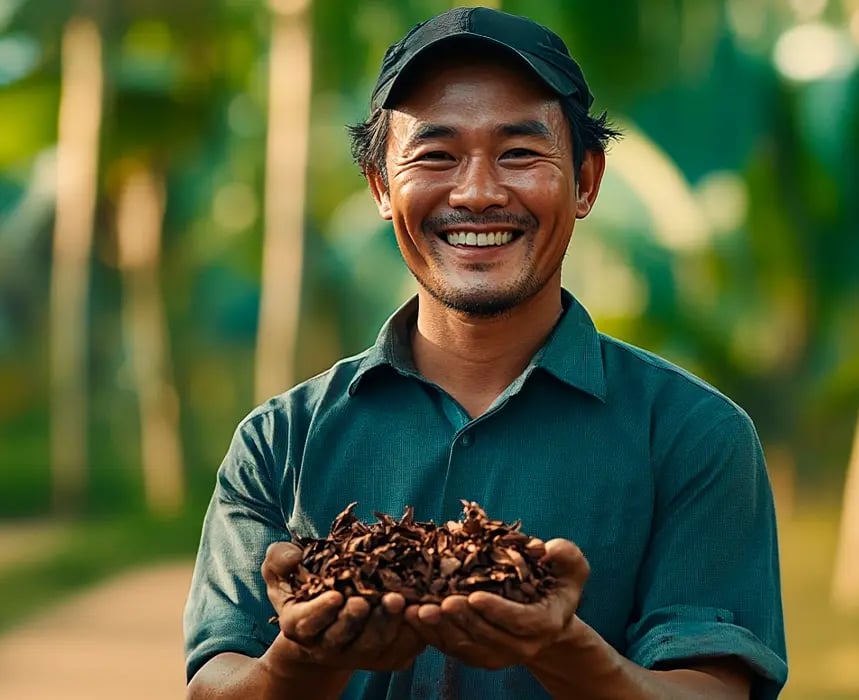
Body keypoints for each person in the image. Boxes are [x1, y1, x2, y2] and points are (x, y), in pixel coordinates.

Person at [184, 7, 787, 700]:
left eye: (520, 153)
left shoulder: (693, 437)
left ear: (586, 180)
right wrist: (304, 660)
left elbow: (713, 691)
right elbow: (215, 685)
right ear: (382, 186)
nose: (477, 192)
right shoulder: (277, 441)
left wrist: (565, 649)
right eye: (436, 155)